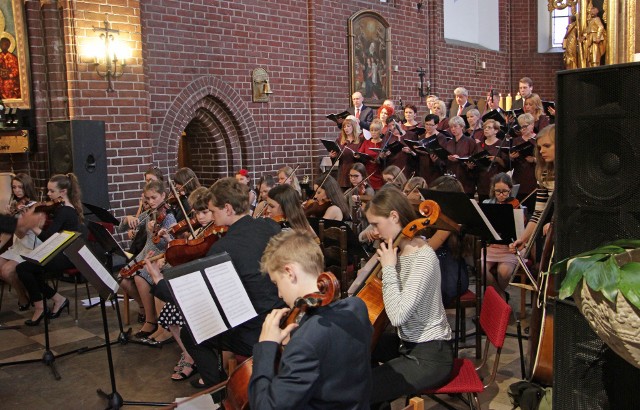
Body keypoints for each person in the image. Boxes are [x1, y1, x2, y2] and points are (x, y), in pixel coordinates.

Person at [150, 177, 285, 394]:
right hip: (281, 315)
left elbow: (203, 298)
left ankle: (217, 391)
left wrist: (159, 281)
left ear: (228, 209)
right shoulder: (270, 225)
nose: (212, 217)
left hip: (254, 329)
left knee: (192, 332)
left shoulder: (223, 247)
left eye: (213, 211)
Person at [248, 230, 372, 409]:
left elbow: (264, 406)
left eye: (277, 283)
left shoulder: (305, 342)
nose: (280, 294)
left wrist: (266, 346)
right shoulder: (357, 307)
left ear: (290, 272)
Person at [365, 186, 453, 407]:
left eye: (376, 224)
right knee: (358, 349)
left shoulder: (422, 258)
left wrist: (388, 269)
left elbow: (397, 317)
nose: (374, 231)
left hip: (429, 356)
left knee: (364, 389)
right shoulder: (398, 250)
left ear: (394, 216)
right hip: (407, 343)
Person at [16, 174, 84, 326]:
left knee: (24, 269)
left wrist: (32, 225)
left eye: (51, 191)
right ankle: (57, 299)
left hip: (67, 255)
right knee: (29, 269)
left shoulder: (65, 211)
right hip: (58, 251)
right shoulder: (60, 208)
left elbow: (48, 237)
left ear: (63, 192)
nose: (48, 195)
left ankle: (41, 307)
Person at [118, 180, 176, 338]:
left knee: (140, 277)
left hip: (160, 257)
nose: (150, 202)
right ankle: (145, 308)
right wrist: (127, 219)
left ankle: (151, 320)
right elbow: (121, 228)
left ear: (163, 195)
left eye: (153, 198)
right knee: (121, 277)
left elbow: (169, 243)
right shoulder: (149, 213)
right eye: (147, 199)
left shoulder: (168, 216)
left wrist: (157, 231)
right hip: (145, 254)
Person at [512, 125, 555, 251]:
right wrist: (523, 239)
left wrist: (555, 223)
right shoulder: (544, 174)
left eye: (547, 146)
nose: (541, 151)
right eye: (540, 147)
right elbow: (538, 213)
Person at [0, 174, 40, 311]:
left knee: (6, 271)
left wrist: (15, 221)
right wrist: (8, 218)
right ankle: (25, 292)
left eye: (20, 187)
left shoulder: (34, 206)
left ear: (27, 187)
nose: (17, 190)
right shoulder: (15, 205)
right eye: (14, 187)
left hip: (30, 247)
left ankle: (23, 296)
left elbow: (21, 233)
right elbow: (6, 232)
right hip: (17, 247)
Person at [483, 173, 520, 300]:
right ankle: (501, 297)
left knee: (504, 272)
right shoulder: (487, 204)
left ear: (510, 189)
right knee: (481, 269)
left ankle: (496, 298)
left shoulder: (515, 204)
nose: (501, 195)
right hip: (491, 246)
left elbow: (520, 230)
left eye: (505, 191)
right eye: (498, 191)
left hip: (508, 248)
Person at [444, 116, 479, 197]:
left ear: (462, 127)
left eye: (455, 126)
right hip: (452, 178)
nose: (453, 129)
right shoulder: (449, 142)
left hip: (465, 179)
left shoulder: (470, 142)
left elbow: (474, 158)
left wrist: (462, 161)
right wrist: (448, 158)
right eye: (451, 127)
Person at [510, 113, 538, 212]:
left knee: (533, 210)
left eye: (525, 126)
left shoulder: (538, 139)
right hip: (519, 178)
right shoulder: (516, 141)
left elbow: (546, 159)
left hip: (533, 179)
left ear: (532, 125)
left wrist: (534, 159)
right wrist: (512, 158)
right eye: (520, 127)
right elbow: (509, 165)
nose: (523, 129)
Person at [476, 119, 508, 203]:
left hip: (496, 180)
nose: (486, 129)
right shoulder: (479, 144)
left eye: (489, 127)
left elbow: (507, 165)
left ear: (496, 131)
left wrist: (497, 159)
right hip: (482, 180)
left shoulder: (502, 144)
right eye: (485, 127)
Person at [330, 116, 362, 189]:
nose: (346, 128)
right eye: (344, 127)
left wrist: (359, 157)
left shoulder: (360, 140)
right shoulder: (340, 140)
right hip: (343, 171)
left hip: (355, 170)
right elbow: (337, 158)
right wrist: (333, 157)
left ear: (353, 127)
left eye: (348, 126)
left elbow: (364, 157)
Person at [415, 114, 446, 184]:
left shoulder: (441, 138)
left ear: (436, 125)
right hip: (423, 169)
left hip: (435, 170)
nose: (428, 127)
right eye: (426, 124)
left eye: (431, 125)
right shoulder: (422, 137)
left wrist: (436, 159)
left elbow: (442, 155)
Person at [357, 118, 385, 190]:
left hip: (380, 173)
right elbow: (360, 154)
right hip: (368, 173)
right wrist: (358, 156)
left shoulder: (384, 143)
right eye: (371, 130)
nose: (373, 132)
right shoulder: (366, 142)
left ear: (380, 131)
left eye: (376, 130)